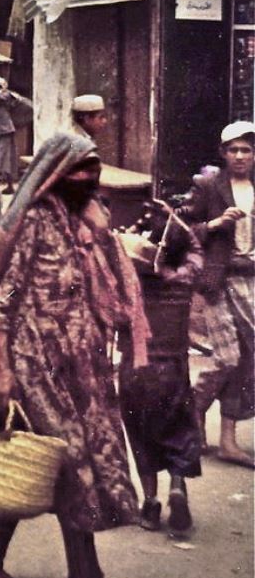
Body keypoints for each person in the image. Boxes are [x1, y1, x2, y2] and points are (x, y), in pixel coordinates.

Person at [0, 133, 150, 578]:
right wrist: (3, 371)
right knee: (72, 463)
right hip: (34, 364)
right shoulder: (35, 222)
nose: (89, 179)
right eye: (80, 171)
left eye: (94, 170)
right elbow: (4, 298)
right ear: (57, 175)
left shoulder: (81, 221)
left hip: (78, 365)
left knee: (39, 464)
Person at [118, 200, 203, 532]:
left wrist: (138, 228)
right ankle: (177, 485)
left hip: (135, 369)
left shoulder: (130, 283)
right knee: (180, 430)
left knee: (141, 435)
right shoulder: (183, 282)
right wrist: (171, 219)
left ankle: (150, 504)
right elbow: (195, 250)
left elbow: (121, 248)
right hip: (173, 369)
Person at [179, 121, 255, 468]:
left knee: (247, 360)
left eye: (246, 150)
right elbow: (179, 229)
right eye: (233, 150)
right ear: (223, 153)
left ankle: (228, 441)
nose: (240, 156)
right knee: (228, 359)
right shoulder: (208, 186)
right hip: (219, 282)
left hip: (251, 282)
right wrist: (214, 224)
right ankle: (194, 408)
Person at [0, 75, 33, 193]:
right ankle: (7, 185)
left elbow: (14, 100)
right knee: (4, 158)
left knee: (1, 157)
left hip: (4, 130)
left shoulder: (2, 95)